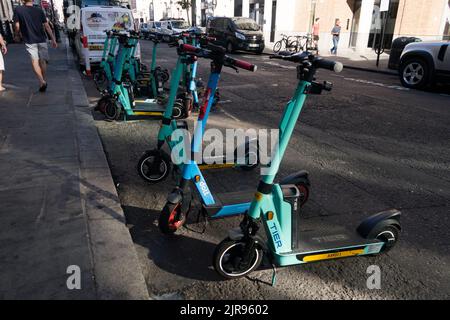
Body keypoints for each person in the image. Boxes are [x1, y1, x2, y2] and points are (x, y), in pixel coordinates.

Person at [13, 0, 57, 92]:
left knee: (34, 61)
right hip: (41, 39)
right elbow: (47, 26)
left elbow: (17, 25)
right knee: (43, 61)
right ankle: (43, 81)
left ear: (22, 1)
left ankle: (41, 81)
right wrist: (53, 39)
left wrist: (16, 35)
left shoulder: (18, 10)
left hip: (29, 40)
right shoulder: (39, 10)